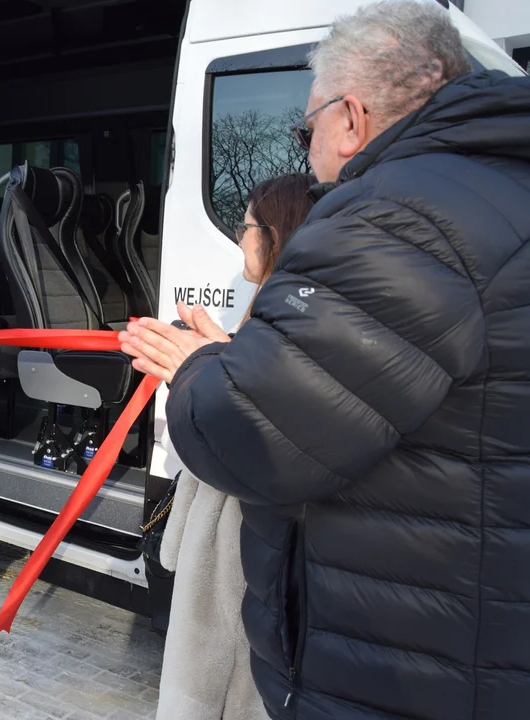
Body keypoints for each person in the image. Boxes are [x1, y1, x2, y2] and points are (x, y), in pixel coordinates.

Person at [121, 2, 530, 718]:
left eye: (303, 127)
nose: (306, 151)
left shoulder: (397, 218)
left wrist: (195, 368)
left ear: (350, 116)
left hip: (401, 652)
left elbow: (256, 441)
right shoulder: (498, 189)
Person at [146, 174, 315, 720]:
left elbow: (239, 425)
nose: (239, 238)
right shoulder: (278, 304)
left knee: (215, 678)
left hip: (233, 536)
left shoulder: (277, 314)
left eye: (244, 226)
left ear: (274, 234)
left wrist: (193, 374)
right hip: (232, 531)